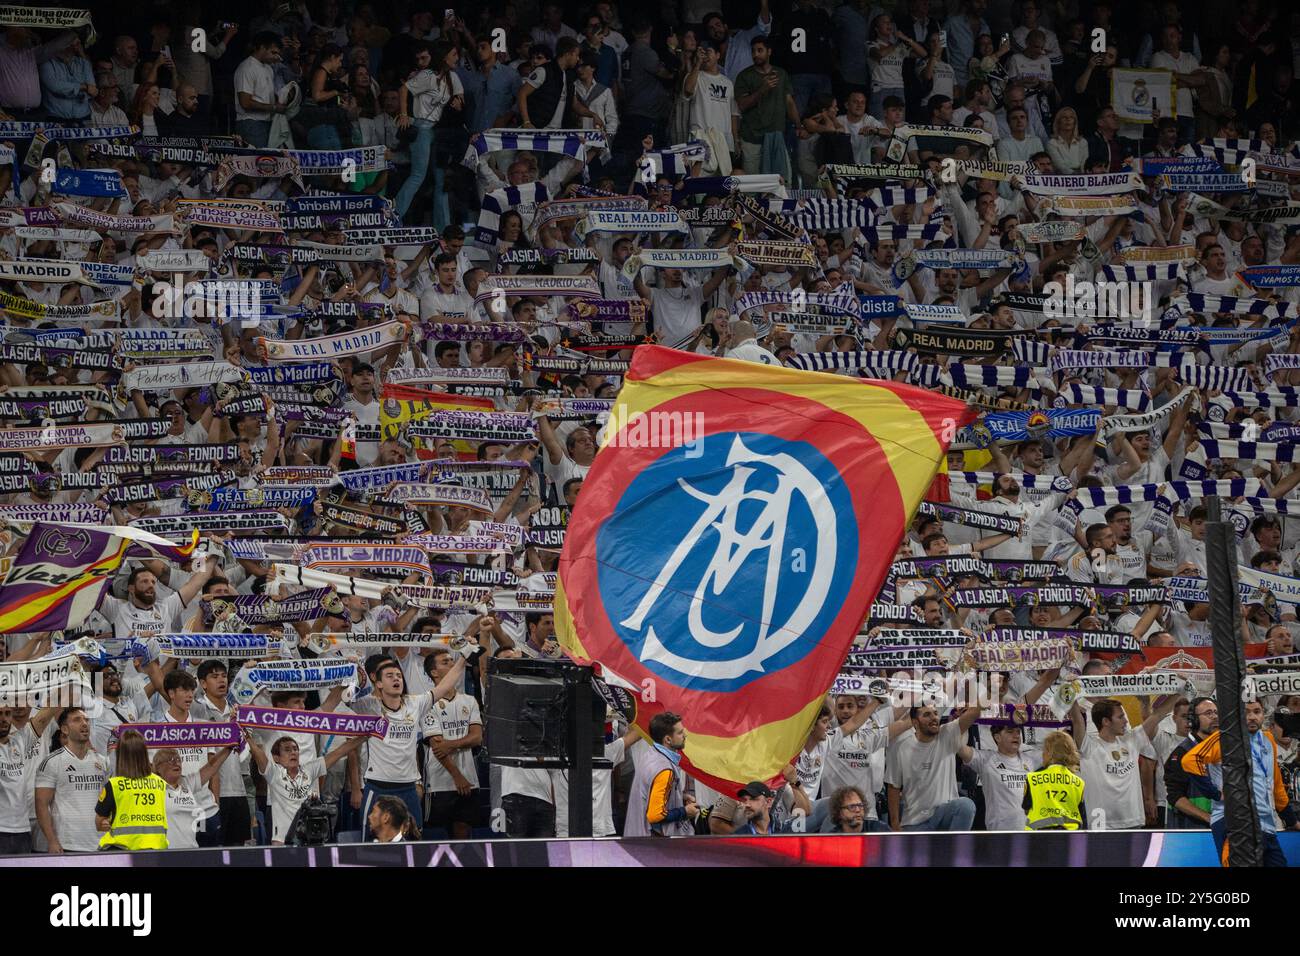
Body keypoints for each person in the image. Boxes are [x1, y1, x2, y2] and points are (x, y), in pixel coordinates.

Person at [1181, 699, 1300, 866]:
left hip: (1266, 826)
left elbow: (1276, 786)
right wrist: (1215, 794)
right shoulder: (1225, 737)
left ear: (1263, 715)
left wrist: (1292, 821)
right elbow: (1190, 760)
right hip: (1233, 823)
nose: (1252, 717)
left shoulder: (1268, 740)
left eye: (1256, 712)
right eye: (1246, 712)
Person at [886, 701, 986, 831]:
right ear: (915, 722)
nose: (934, 718)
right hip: (914, 823)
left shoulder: (947, 734)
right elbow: (893, 787)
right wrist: (895, 824)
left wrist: (991, 688)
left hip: (944, 815)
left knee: (966, 805)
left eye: (935, 713)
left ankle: (953, 849)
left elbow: (974, 713)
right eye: (927, 715)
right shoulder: (900, 748)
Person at [395, 40, 464, 225]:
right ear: (443, 57)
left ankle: (443, 228)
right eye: (453, 55)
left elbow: (460, 98)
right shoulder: (427, 75)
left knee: (441, 180)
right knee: (418, 175)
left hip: (440, 132)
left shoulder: (451, 77)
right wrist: (403, 113)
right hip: (423, 128)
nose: (456, 58)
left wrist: (458, 103)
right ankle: (393, 216)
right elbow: (403, 89)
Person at [34, 708, 110, 854]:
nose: (84, 724)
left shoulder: (102, 761)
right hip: (68, 844)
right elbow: (41, 804)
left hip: (101, 843)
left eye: (86, 720)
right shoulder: (52, 762)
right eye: (77, 720)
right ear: (64, 729)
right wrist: (52, 841)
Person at [624, 711, 698, 837]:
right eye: (680, 733)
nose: (684, 735)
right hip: (652, 844)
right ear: (668, 739)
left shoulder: (650, 755)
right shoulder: (665, 770)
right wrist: (685, 812)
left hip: (637, 836)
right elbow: (655, 815)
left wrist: (680, 796)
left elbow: (651, 792)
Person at [95, 731, 169, 851]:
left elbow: (99, 824)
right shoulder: (160, 783)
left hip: (120, 852)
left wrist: (106, 822)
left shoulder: (114, 785)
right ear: (144, 753)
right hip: (156, 851)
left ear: (120, 756)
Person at [1022, 730, 1087, 830]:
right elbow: (1081, 815)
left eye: (1044, 750)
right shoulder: (1079, 783)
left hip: (1038, 839)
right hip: (1069, 840)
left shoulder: (1032, 779)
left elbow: (1027, 809)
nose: (1042, 754)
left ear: (1049, 753)